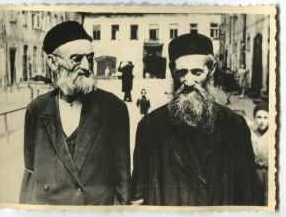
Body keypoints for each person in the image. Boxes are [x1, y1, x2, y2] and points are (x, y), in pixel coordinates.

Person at [131, 33, 258, 206]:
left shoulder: (234, 126)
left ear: (211, 70)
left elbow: (248, 197)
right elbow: (138, 198)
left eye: (197, 72)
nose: (189, 81)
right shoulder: (150, 127)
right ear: (171, 70)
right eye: (182, 72)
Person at [19, 21, 131, 205]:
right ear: (53, 62)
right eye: (77, 59)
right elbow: (29, 178)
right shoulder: (36, 110)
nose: (86, 66)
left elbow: (123, 182)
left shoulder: (114, 108)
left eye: (90, 57)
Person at [251, 102, 269, 205]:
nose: (262, 121)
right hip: (255, 172)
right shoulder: (251, 133)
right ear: (254, 117)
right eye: (259, 117)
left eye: (265, 117)